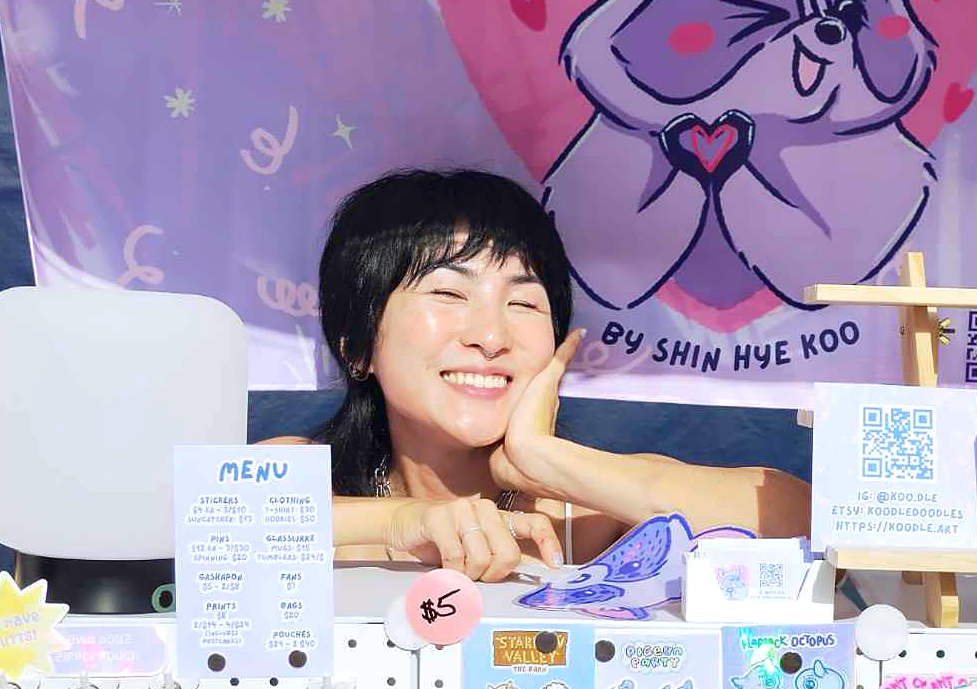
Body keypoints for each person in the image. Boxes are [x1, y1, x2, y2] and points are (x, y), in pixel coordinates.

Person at [266, 169, 811, 579]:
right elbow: (207, 527)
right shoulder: (303, 480)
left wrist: (542, 459)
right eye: (449, 294)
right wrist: (402, 521)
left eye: (524, 304)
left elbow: (807, 524)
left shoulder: (583, 516)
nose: (491, 336)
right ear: (358, 345)